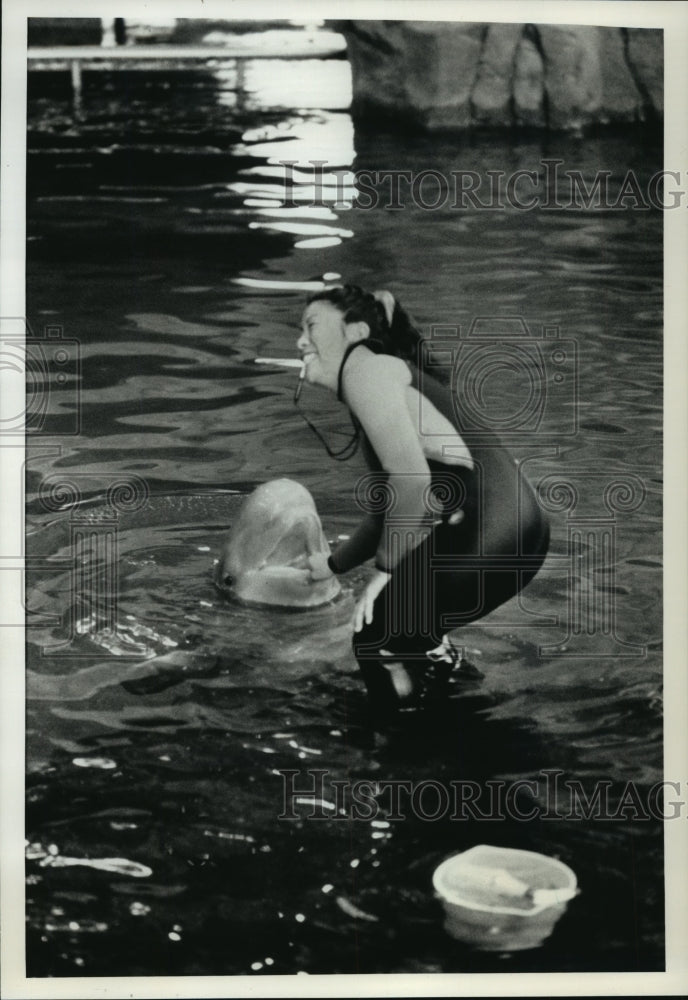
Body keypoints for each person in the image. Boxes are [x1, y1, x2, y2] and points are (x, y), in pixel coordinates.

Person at [295, 284, 549, 714]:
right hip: (519, 529)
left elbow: (412, 482)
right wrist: (333, 564)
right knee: (414, 632)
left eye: (312, 327)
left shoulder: (367, 373)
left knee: (376, 633)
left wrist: (383, 574)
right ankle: (462, 714)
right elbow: (388, 511)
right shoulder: (385, 377)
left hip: (487, 530)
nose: (300, 341)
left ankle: (402, 756)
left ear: (356, 332)